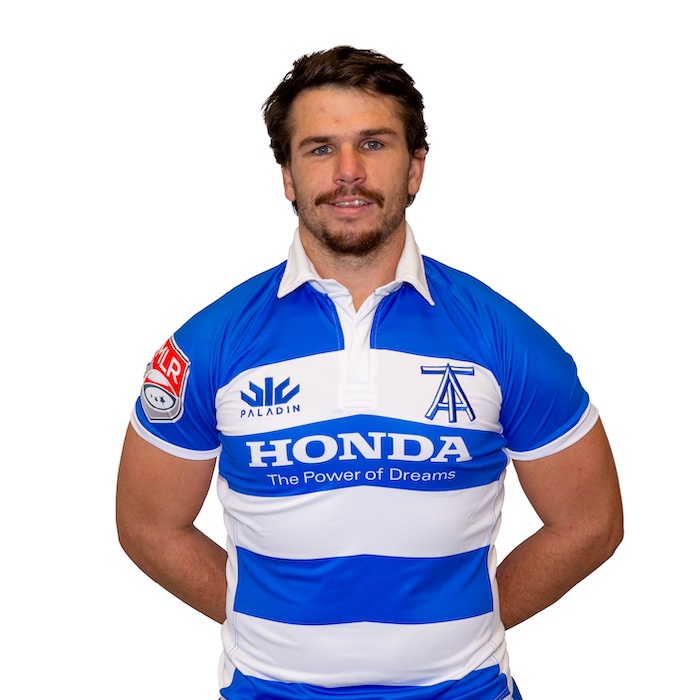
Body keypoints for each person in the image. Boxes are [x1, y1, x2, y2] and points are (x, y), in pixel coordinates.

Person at [116, 46, 623, 700]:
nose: (348, 172)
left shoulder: (505, 337)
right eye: (320, 149)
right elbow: (148, 526)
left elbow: (590, 523)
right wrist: (272, 627)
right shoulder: (207, 344)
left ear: (415, 169)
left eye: (374, 144)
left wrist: (468, 625)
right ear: (288, 176)